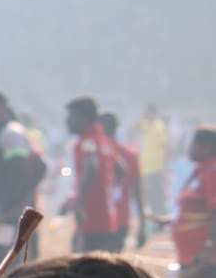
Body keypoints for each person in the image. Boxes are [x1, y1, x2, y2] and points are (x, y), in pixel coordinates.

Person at [0, 91, 43, 272]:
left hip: (10, 212)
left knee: (9, 265)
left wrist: (4, 209)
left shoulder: (11, 134)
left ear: (1, 108)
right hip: (3, 210)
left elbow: (18, 173)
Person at [171, 126, 216, 278]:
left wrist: (210, 248)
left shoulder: (212, 172)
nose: (190, 149)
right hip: (190, 252)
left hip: (203, 255)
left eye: (195, 144)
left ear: (207, 147)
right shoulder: (199, 172)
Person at [64, 96, 122, 253]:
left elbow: (92, 166)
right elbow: (121, 169)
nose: (67, 121)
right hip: (107, 218)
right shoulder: (103, 140)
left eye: (71, 117)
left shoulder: (87, 141)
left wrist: (80, 203)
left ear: (83, 118)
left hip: (91, 220)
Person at [99, 112, 145, 252]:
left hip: (98, 220)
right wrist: (142, 225)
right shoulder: (131, 154)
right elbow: (138, 192)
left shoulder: (98, 151)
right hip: (122, 219)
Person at [137, 104, 170, 219]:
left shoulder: (158, 126)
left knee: (157, 194)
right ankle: (156, 217)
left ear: (153, 113)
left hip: (155, 167)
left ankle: (162, 217)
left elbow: (163, 146)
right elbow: (137, 127)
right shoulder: (147, 125)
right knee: (150, 194)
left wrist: (163, 165)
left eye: (147, 112)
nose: (145, 114)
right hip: (146, 167)